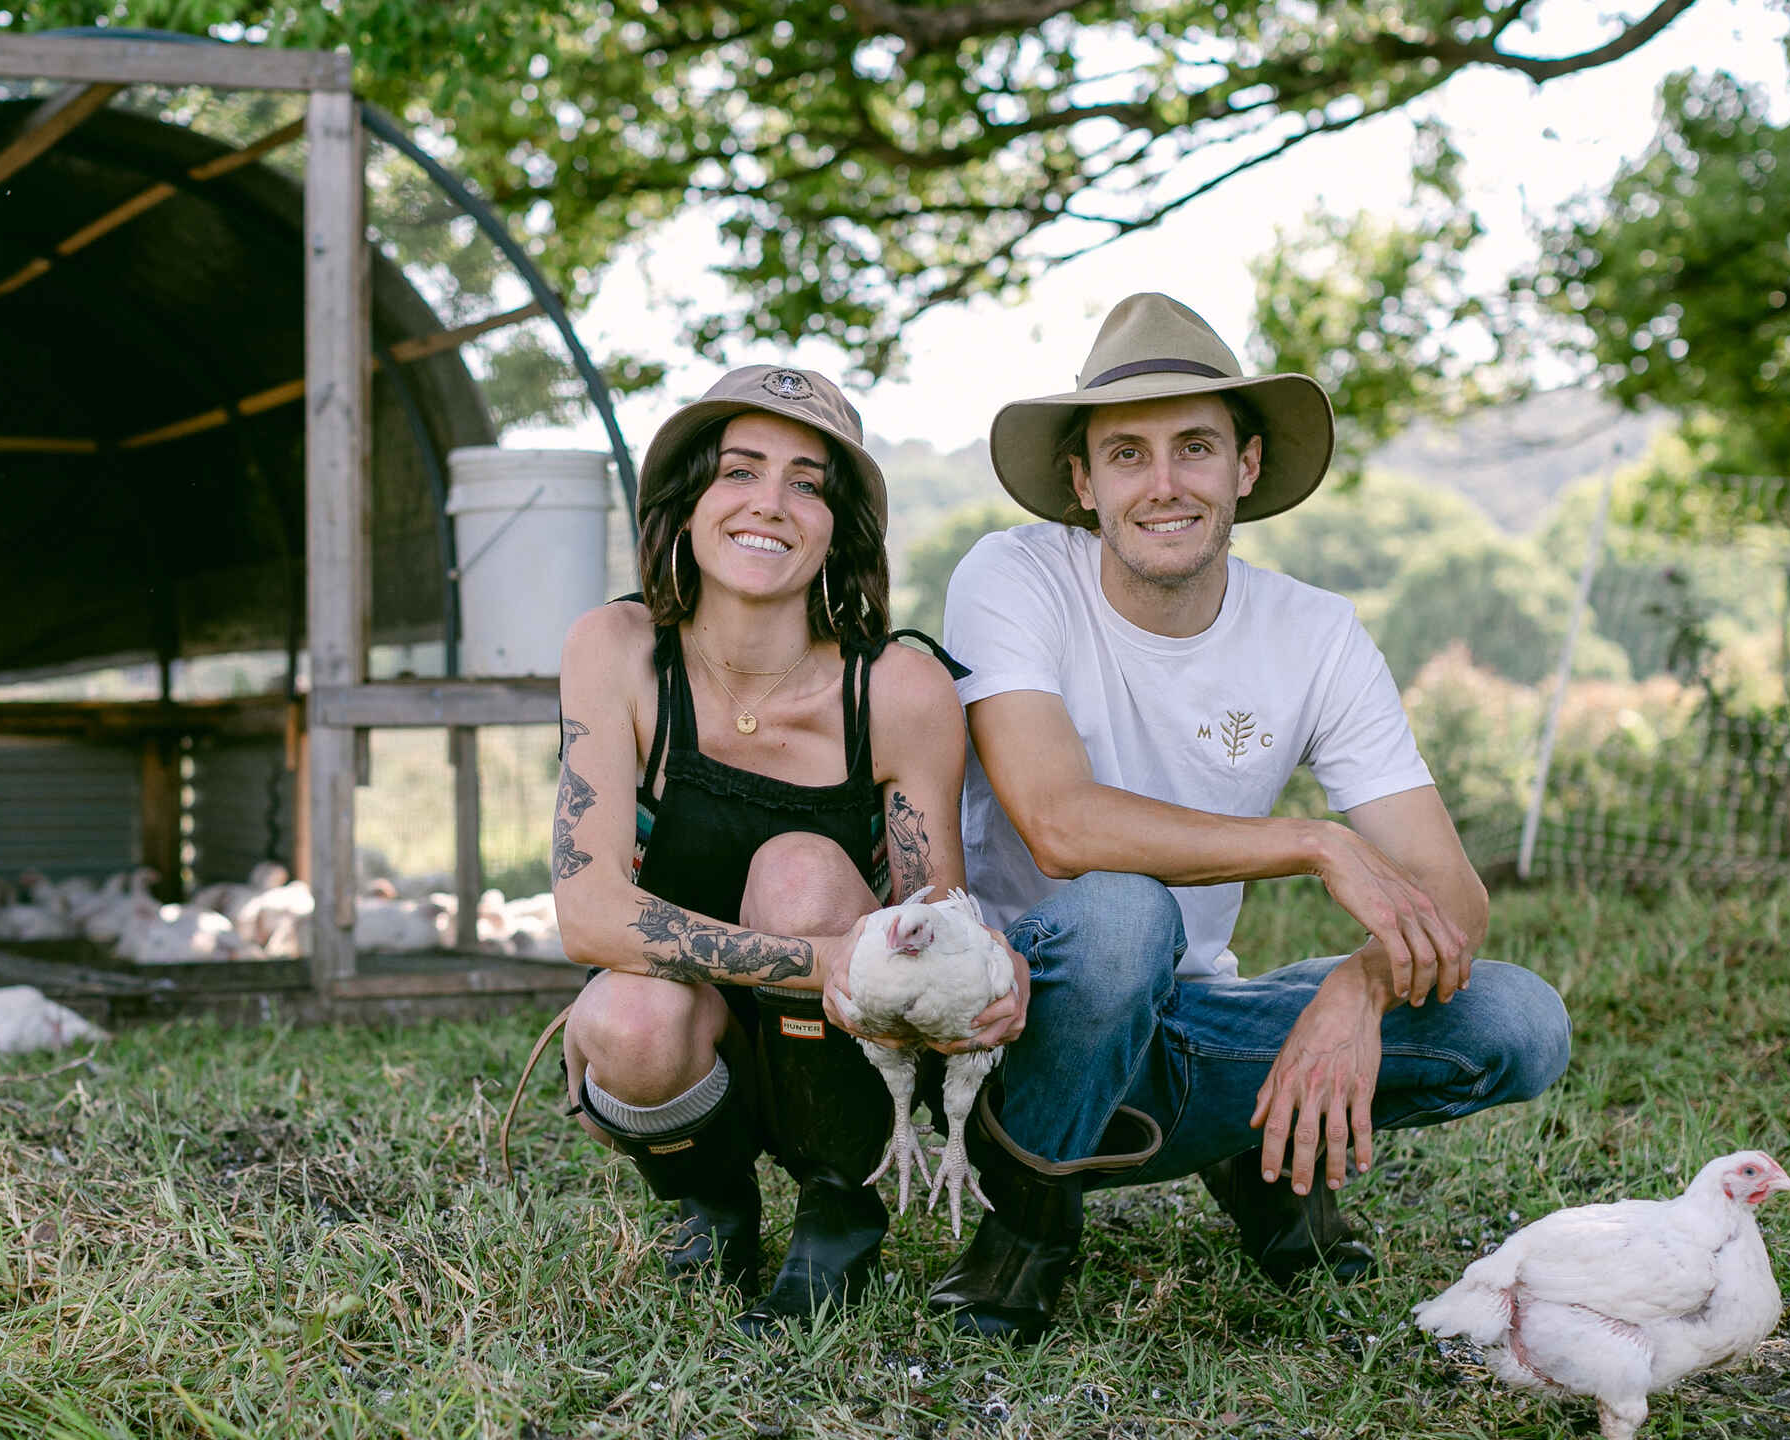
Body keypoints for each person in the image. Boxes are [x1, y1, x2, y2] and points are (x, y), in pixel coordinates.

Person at [929, 293, 1573, 1342]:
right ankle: (1024, 1229)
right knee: (1124, 918)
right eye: (1126, 454)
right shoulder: (1011, 576)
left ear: (1246, 466)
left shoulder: (1313, 633)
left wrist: (1358, 993)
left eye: (1194, 446)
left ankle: (1254, 1141)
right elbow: (1058, 824)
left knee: (1515, 1022)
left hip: (1187, 1021)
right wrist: (1315, 842)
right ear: (1083, 485)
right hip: (1012, 1019)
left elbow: (1448, 895)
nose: (1164, 483)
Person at [548, 364, 1023, 1333]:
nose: (770, 502)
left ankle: (838, 1201)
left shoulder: (895, 687)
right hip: (702, 1028)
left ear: (836, 524)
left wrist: (981, 960)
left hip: (844, 1044)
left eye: (806, 481)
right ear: (687, 503)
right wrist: (824, 958)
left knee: (799, 867)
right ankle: (713, 1201)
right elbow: (588, 912)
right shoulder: (618, 649)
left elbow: (934, 917)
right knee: (629, 1022)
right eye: (739, 471)